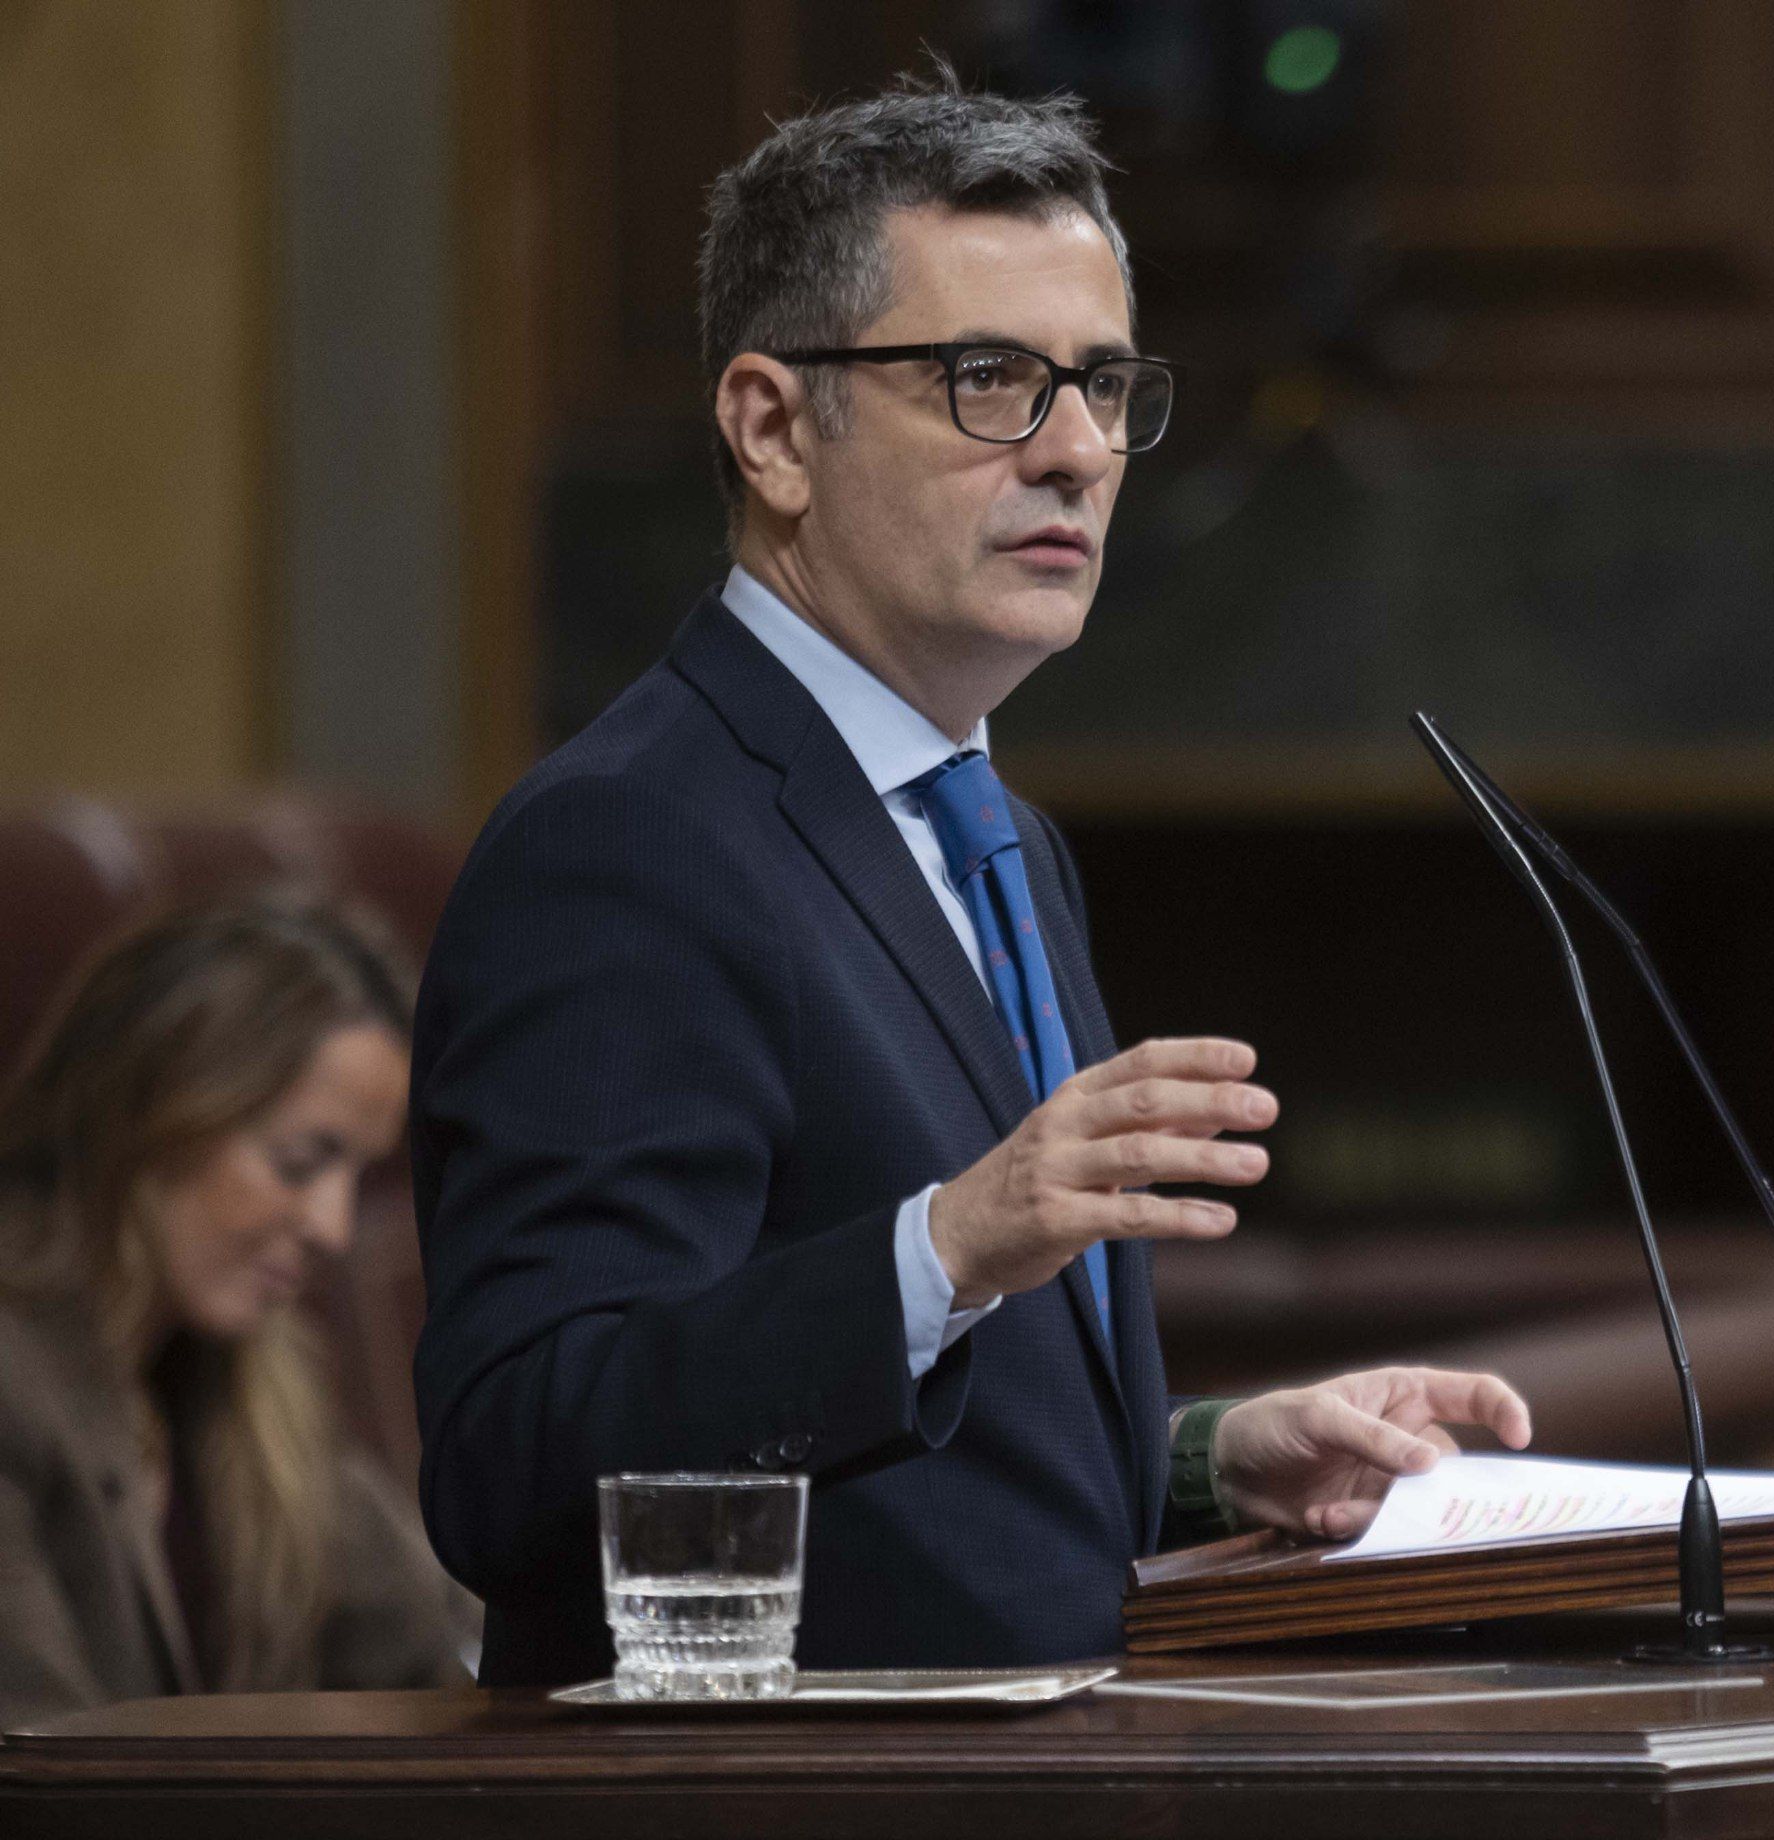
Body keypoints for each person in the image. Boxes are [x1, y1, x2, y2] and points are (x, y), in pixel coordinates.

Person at [410, 70, 1531, 1685]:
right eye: (992, 379)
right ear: (774, 428)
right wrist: (949, 1240)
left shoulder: (997, 833)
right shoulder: (626, 847)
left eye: (1102, 383)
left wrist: (1204, 1459)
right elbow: (520, 1460)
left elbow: (910, 1470)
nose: (1078, 451)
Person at [0, 899, 473, 1728]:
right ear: (150, 1112)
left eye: (357, 1175)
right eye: (300, 1159)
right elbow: (39, 1782)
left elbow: (440, 1663)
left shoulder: (251, 1381)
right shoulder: (16, 1383)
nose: (331, 1226)